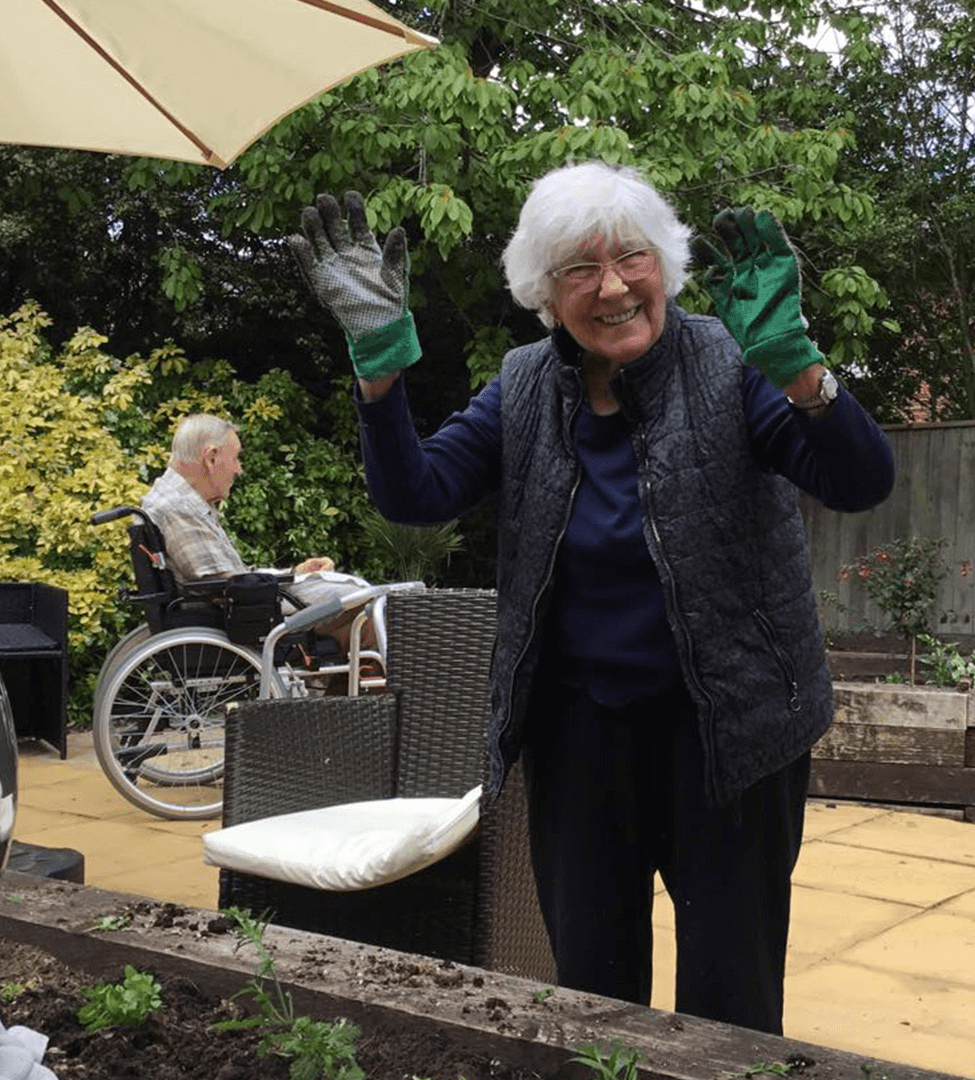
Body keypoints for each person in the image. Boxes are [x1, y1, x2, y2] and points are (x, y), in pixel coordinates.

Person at [290, 162, 895, 1035]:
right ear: (545, 291)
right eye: (580, 268)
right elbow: (416, 494)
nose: (613, 287)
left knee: (732, 999)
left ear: (666, 266)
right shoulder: (526, 385)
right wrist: (380, 374)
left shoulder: (732, 363)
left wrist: (799, 368)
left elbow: (859, 479)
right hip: (581, 740)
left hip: (734, 735)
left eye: (632, 259)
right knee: (591, 994)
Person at [140, 413, 378, 651]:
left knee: (358, 605)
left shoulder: (177, 498)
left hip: (242, 605)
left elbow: (228, 577)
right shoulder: (179, 506)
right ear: (211, 458)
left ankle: (350, 684)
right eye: (235, 458)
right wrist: (289, 580)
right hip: (245, 614)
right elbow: (224, 583)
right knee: (368, 602)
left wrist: (295, 573)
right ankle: (379, 685)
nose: (238, 469)